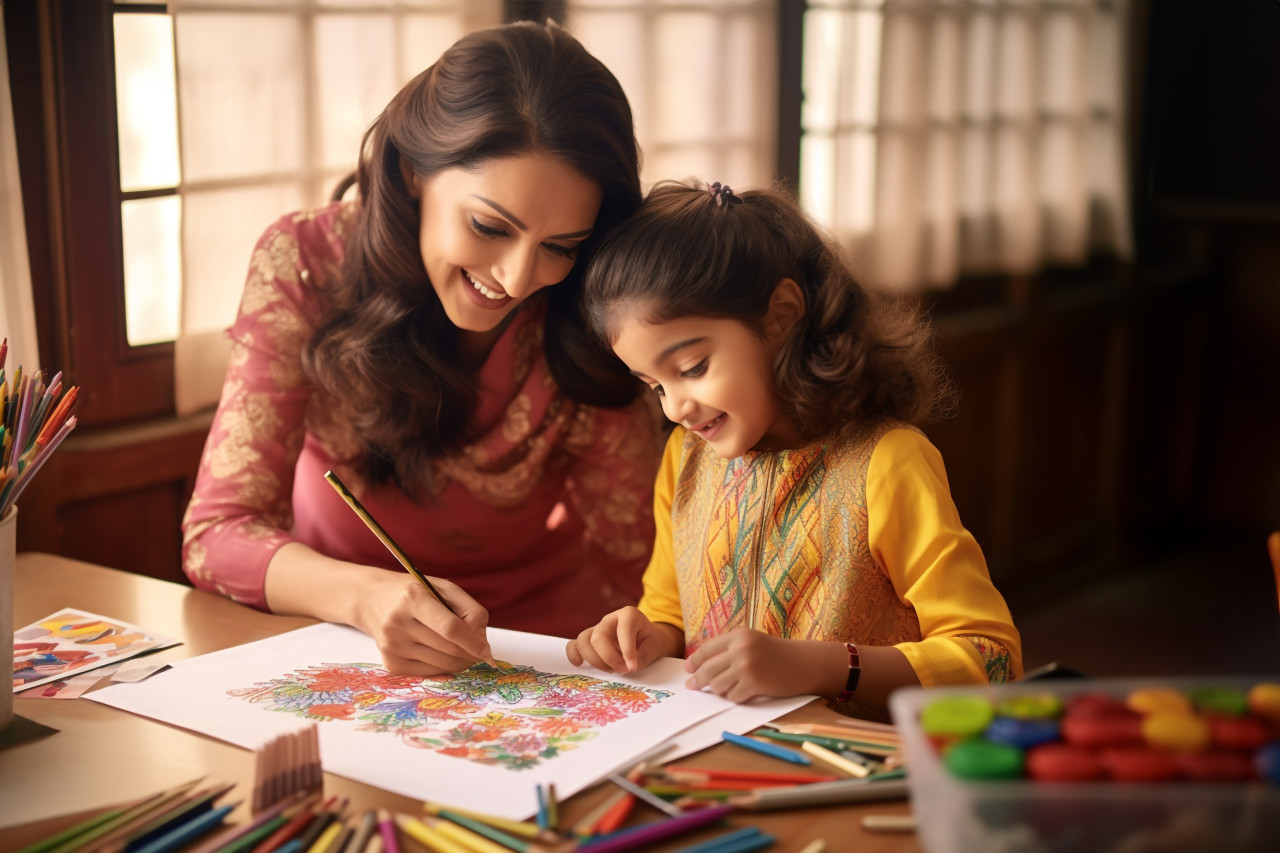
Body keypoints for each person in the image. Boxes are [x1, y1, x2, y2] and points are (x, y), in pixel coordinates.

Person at [182, 22, 661, 677]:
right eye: (489, 226)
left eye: (560, 245)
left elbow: (645, 551)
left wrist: (648, 629)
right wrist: (367, 595)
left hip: (544, 650)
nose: (519, 279)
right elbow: (218, 535)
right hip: (339, 635)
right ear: (412, 171)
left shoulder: (585, 298)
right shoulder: (307, 263)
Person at [565, 180, 1022, 719]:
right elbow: (670, 612)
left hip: (851, 774)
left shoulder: (886, 463)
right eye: (655, 385)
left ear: (781, 315)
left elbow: (992, 660)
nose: (675, 410)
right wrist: (644, 635)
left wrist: (821, 667)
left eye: (692, 369)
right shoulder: (684, 461)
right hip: (720, 762)